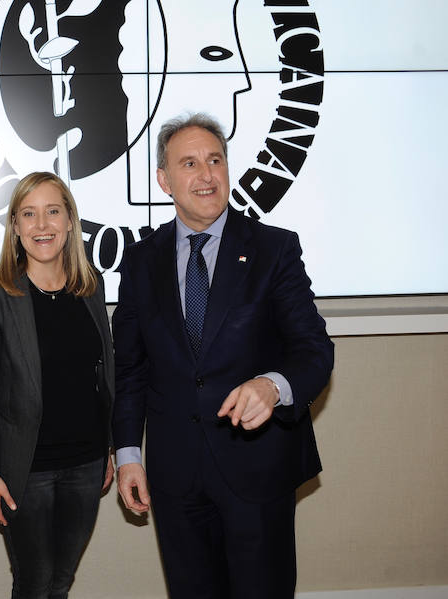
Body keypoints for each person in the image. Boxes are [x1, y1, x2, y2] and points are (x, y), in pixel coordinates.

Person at [113, 113, 334, 598]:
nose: (206, 174)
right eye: (189, 163)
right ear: (164, 180)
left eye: (215, 160)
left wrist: (272, 386)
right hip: (175, 479)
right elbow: (129, 370)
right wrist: (128, 454)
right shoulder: (140, 261)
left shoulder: (274, 249)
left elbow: (313, 350)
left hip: (257, 472)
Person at [0, 172, 115, 599]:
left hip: (86, 464)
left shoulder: (91, 287)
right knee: (34, 583)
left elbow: (102, 375)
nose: (42, 225)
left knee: (62, 582)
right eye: (28, 214)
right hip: (24, 470)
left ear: (70, 221)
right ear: (14, 226)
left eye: (53, 211)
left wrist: (108, 446)